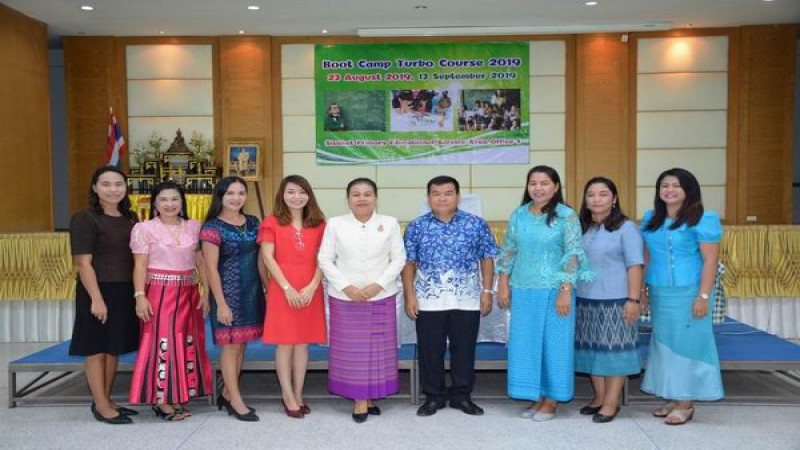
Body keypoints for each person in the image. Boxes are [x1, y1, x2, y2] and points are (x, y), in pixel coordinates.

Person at [496, 165, 593, 422]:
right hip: (524, 290)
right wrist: (503, 283)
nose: (538, 188)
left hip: (554, 291)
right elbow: (508, 250)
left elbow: (573, 254)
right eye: (533, 183)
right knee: (527, 344)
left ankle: (552, 400)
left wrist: (565, 289)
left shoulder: (566, 215)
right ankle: (537, 396)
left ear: (556, 187)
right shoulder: (519, 214)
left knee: (554, 345)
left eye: (544, 183)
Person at [402, 176, 498, 417]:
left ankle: (461, 396)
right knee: (429, 350)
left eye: (448, 193)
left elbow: (487, 258)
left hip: (467, 299)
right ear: (428, 197)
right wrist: (409, 296)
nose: (442, 198)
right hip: (428, 299)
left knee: (464, 349)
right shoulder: (416, 226)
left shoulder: (476, 224)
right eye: (436, 193)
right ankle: (433, 397)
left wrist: (487, 291)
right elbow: (409, 264)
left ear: (458, 196)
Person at [318, 178, 406, 423]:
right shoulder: (335, 224)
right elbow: (325, 259)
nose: (362, 198)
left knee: (378, 351)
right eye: (356, 194)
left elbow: (399, 259)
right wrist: (346, 287)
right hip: (345, 298)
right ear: (348, 199)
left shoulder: (389, 223)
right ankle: (359, 400)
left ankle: (368, 396)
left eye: (367, 194)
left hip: (381, 295)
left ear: (376, 197)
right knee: (352, 352)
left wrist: (378, 285)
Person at [640, 168, 724, 425]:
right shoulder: (650, 218)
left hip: (690, 291)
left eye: (676, 185)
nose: (669, 190)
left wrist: (703, 296)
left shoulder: (704, 218)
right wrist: (642, 289)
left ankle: (686, 403)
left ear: (689, 189)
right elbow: (646, 255)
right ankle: (675, 395)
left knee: (689, 345)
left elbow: (710, 261)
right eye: (664, 185)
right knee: (665, 345)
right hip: (659, 291)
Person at [129, 181, 212, 421]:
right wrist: (139, 296)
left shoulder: (194, 226)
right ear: (155, 202)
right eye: (163, 199)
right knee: (161, 343)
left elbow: (200, 262)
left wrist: (206, 290)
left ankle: (176, 394)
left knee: (184, 342)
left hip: (188, 291)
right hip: (158, 292)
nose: (169, 204)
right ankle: (160, 400)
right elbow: (140, 265)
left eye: (174, 199)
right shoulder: (144, 229)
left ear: (182, 201)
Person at [69, 166, 140, 424]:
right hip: (96, 289)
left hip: (124, 290)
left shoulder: (130, 217)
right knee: (96, 348)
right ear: (95, 187)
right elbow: (83, 264)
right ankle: (100, 404)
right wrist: (97, 299)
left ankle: (108, 399)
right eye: (106, 184)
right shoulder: (85, 218)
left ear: (125, 187)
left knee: (114, 348)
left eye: (118, 184)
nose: (113, 189)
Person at [574, 177, 644, 423]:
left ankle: (612, 403)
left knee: (615, 353)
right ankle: (599, 397)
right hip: (584, 299)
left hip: (616, 299)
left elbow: (635, 265)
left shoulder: (626, 227)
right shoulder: (580, 226)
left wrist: (633, 300)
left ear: (614, 199)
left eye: (603, 194)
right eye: (591, 194)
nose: (596, 199)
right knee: (592, 351)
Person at [258, 175, 326, 418]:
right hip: (282, 287)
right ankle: (287, 395)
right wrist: (287, 288)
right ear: (282, 195)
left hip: (311, 287)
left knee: (303, 343)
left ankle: (299, 393)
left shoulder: (319, 223)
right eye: (291, 192)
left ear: (309, 195)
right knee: (285, 342)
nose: (296, 196)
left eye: (301, 191)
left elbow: (325, 258)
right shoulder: (271, 222)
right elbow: (268, 258)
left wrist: (312, 286)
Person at [200, 176, 265, 422]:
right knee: (230, 347)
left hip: (252, 291)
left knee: (242, 344)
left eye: (240, 193)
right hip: (228, 293)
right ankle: (235, 400)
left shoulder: (252, 221)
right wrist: (221, 303)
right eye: (230, 193)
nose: (236, 198)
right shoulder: (212, 227)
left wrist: (267, 287)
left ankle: (228, 392)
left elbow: (260, 258)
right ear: (220, 196)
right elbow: (210, 269)